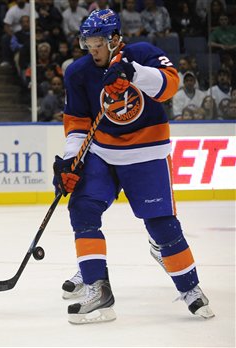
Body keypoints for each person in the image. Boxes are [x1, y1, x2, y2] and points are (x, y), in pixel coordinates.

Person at [53, 9, 214, 324]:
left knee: (162, 226)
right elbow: (78, 121)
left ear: (114, 39)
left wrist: (132, 73)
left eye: (97, 42)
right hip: (102, 153)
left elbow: (169, 86)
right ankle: (97, 288)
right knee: (82, 209)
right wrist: (72, 159)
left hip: (147, 153)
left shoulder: (143, 53)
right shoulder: (79, 72)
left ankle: (190, 288)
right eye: (87, 43)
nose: (92, 49)